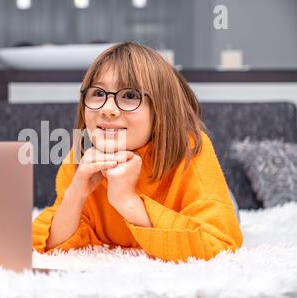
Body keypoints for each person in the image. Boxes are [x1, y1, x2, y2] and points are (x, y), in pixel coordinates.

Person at [32, 42, 243, 263]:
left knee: (227, 208)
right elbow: (49, 245)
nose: (108, 109)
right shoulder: (82, 153)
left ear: (162, 109)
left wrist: (128, 202)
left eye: (130, 96)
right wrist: (76, 193)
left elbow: (219, 243)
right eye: (98, 93)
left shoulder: (189, 148)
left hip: (207, 198)